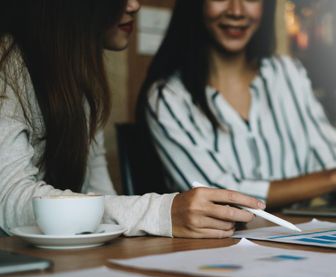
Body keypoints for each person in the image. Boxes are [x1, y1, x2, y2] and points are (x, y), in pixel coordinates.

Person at [137, 0, 336, 209]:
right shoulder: (167, 98)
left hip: (304, 243)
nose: (236, 10)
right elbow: (217, 196)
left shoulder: (288, 74)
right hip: (218, 255)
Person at [0, 0, 266, 239]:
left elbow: (99, 197)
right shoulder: (7, 64)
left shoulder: (81, 80)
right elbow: (8, 200)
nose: (134, 5)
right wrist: (161, 213)